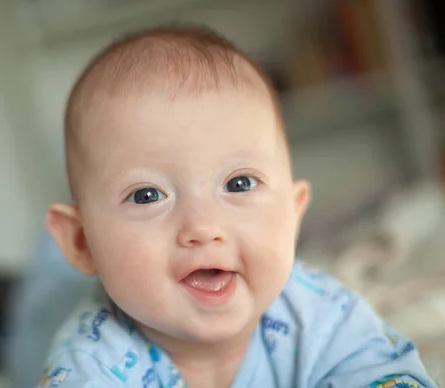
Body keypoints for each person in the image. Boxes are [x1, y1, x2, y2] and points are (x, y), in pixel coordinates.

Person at [40, 25, 436, 387]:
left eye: (239, 183)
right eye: (147, 195)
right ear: (81, 242)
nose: (202, 226)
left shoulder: (325, 316)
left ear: (293, 212)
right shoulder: (90, 364)